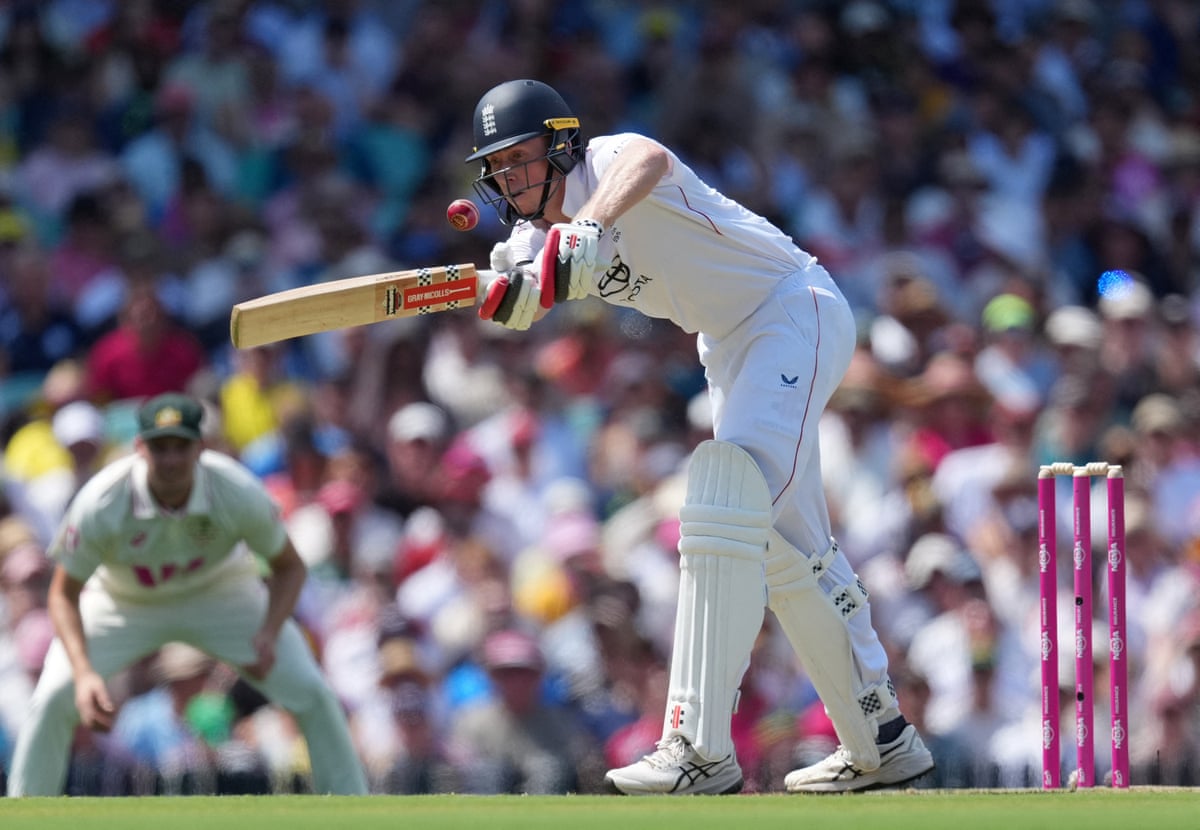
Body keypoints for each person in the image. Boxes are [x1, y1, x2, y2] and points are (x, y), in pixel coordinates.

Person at [462, 79, 935, 794]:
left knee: (725, 500)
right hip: (729, 349)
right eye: (497, 166)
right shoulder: (531, 238)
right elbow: (538, 283)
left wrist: (582, 231)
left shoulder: (609, 161)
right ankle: (882, 738)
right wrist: (519, 295)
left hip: (791, 310)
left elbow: (648, 157)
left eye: (522, 156)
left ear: (562, 145)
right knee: (784, 545)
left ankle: (698, 747)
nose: (510, 177)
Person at [5, 393, 367, 796]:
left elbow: (289, 567)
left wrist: (269, 630)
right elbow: (62, 593)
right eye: (160, 447)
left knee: (312, 691)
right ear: (139, 448)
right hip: (125, 601)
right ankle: (25, 814)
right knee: (54, 696)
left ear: (201, 447)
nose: (172, 459)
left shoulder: (235, 489)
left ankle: (352, 807)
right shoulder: (103, 499)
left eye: (182, 447)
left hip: (221, 594)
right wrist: (84, 671)